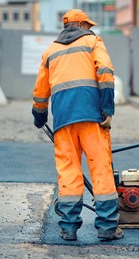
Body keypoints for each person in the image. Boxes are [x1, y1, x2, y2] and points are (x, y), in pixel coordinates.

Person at [32, 9, 123, 241]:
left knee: (69, 172)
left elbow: (41, 89)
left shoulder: (50, 51)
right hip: (92, 116)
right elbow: (105, 72)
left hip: (63, 119)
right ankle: (107, 228)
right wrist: (108, 109)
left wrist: (39, 114)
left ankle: (69, 228)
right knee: (100, 169)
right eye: (88, 25)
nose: (90, 28)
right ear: (81, 24)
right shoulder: (93, 41)